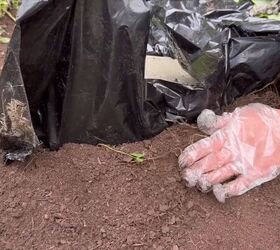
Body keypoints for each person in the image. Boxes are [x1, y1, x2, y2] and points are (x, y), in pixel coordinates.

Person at [178, 103, 280, 203]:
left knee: (225, 152)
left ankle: (200, 173)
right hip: (262, 118)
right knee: (226, 148)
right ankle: (199, 172)